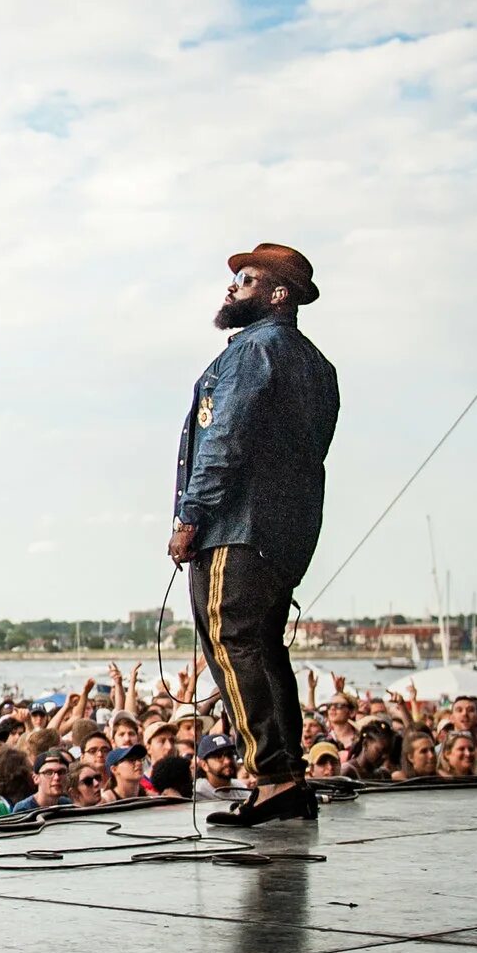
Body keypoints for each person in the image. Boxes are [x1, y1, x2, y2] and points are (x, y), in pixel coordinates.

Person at [170, 243, 339, 828]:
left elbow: (223, 442)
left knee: (230, 640)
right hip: (288, 534)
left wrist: (190, 518)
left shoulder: (251, 352)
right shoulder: (317, 365)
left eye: (245, 280)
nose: (231, 287)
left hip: (235, 529)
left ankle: (271, 778)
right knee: (266, 648)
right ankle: (289, 778)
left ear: (277, 294)